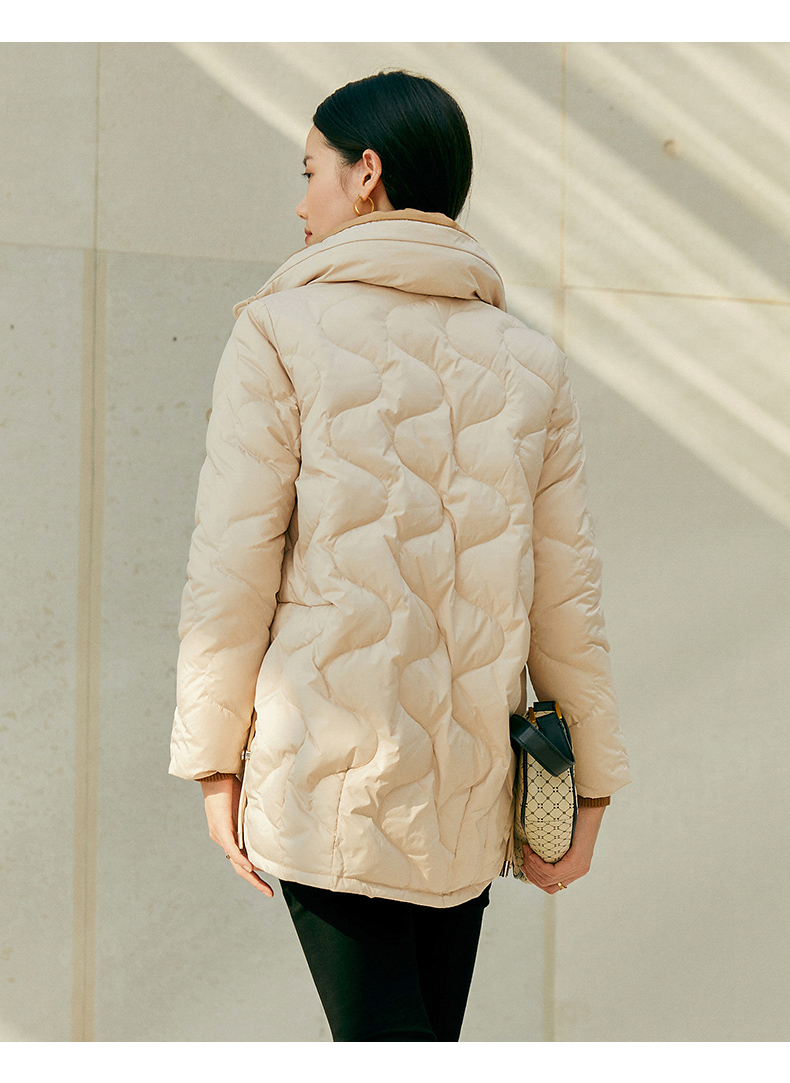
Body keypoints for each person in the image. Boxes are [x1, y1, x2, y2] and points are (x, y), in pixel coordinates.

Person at [169, 69, 631, 1042]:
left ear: (366, 173)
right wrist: (586, 785)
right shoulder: (529, 360)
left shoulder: (278, 332)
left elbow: (231, 570)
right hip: (465, 800)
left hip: (323, 784)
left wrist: (214, 764)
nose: (302, 204)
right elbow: (566, 599)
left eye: (310, 172)